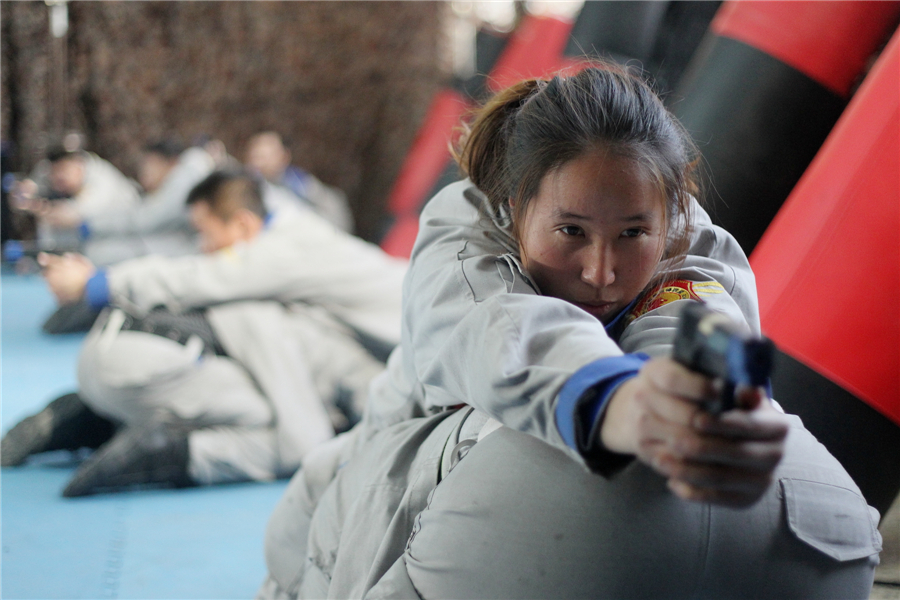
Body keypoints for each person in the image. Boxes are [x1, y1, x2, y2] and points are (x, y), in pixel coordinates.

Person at [257, 64, 881, 599]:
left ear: (668, 215)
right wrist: (613, 398)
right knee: (307, 506)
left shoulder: (690, 239)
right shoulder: (469, 225)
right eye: (571, 232)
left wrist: (693, 401)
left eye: (632, 234)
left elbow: (705, 327)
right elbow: (495, 330)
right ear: (515, 205)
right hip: (406, 433)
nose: (601, 271)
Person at [1, 170, 409, 497]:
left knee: (304, 425)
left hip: (407, 360)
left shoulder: (282, 253)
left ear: (243, 224)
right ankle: (160, 443)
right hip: (146, 366)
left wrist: (98, 284)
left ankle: (112, 423)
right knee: (296, 422)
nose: (202, 246)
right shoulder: (282, 245)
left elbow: (199, 277)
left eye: (205, 232)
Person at [11, 142, 142, 265]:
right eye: (55, 172)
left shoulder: (102, 182)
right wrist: (25, 194)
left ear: (79, 165)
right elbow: (24, 192)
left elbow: (69, 217)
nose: (58, 177)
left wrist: (40, 207)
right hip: (90, 240)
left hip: (125, 241)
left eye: (64, 170)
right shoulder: (49, 170)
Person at [245, 131, 354, 233]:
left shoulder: (299, 180)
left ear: (284, 156)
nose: (259, 163)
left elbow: (328, 203)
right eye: (256, 156)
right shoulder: (248, 185)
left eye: (265, 157)